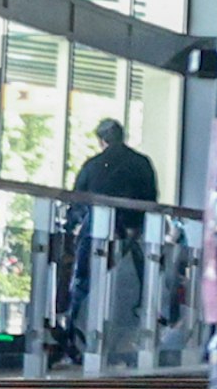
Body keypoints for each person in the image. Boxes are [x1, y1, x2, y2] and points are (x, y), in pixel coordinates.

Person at [65, 117, 160, 354]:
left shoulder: (93, 165)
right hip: (131, 236)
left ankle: (79, 343)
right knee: (134, 288)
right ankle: (128, 345)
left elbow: (77, 203)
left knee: (85, 284)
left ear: (101, 140)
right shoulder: (141, 163)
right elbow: (150, 200)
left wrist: (72, 227)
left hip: (95, 235)